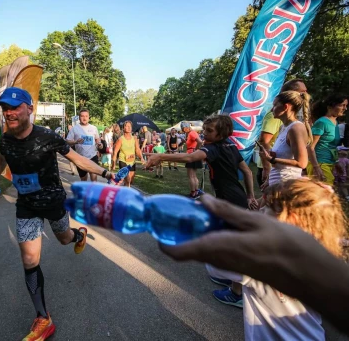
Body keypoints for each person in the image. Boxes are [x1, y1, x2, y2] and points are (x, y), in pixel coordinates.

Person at [0, 88, 114, 341]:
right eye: (5, 109)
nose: (9, 113)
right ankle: (43, 318)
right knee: (29, 259)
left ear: (29, 109)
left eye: (15, 107)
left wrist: (107, 174)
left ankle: (78, 234)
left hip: (53, 201)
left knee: (64, 239)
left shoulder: (46, 136)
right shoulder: (5, 139)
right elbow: (1, 160)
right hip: (26, 205)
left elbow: (78, 160)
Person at [160, 191, 349, 337]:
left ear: (286, 220)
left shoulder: (259, 262)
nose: (258, 211)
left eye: (266, 209)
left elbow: (214, 265)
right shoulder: (323, 253)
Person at [146, 115, 258, 307]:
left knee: (230, 246)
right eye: (204, 130)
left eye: (209, 131)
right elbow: (247, 172)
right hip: (236, 198)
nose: (204, 134)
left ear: (221, 133)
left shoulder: (212, 149)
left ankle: (237, 293)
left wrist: (161, 156)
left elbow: (190, 157)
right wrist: (250, 196)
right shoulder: (230, 146)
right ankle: (230, 278)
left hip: (229, 202)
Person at [257, 79, 308, 186]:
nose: (272, 110)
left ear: (285, 107)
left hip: (286, 185)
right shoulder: (283, 127)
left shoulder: (296, 128)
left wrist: (272, 159)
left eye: (275, 105)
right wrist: (268, 180)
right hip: (276, 183)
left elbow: (302, 163)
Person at [307, 93, 348, 185]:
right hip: (320, 164)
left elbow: (332, 146)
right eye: (342, 105)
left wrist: (337, 162)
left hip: (329, 164)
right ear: (330, 106)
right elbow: (310, 147)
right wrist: (316, 167)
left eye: (346, 105)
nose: (345, 108)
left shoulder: (335, 122)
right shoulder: (322, 122)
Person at [66, 109, 102, 182]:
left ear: (89, 117)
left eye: (86, 116)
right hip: (80, 158)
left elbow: (98, 141)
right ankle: (84, 193)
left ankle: (92, 193)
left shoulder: (94, 128)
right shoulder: (75, 128)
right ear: (79, 118)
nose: (84, 118)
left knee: (94, 179)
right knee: (83, 179)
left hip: (92, 156)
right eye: (82, 116)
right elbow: (67, 141)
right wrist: (75, 141)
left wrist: (100, 145)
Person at [112, 120, 146, 187]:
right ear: (123, 128)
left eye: (130, 126)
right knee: (127, 179)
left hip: (132, 161)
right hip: (123, 161)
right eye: (127, 126)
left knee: (131, 180)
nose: (128, 127)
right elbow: (115, 152)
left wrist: (141, 157)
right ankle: (127, 195)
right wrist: (114, 163)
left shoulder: (135, 138)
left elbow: (137, 149)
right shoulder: (120, 139)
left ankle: (124, 190)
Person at [181, 122, 204, 198]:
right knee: (193, 175)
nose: (183, 130)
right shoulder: (191, 133)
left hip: (192, 155)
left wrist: (195, 150)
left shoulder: (191, 133)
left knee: (190, 175)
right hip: (194, 155)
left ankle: (193, 193)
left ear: (186, 127)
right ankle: (196, 191)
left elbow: (200, 142)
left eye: (183, 129)